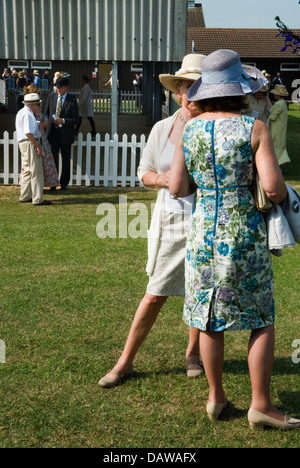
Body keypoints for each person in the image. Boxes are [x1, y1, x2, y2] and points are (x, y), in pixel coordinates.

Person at [169, 49, 300, 431]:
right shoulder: (253, 128)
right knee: (260, 317)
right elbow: (274, 189)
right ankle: (261, 405)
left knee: (210, 320)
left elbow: (178, 186)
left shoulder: (189, 128)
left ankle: (216, 398)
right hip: (242, 233)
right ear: (239, 89)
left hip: (202, 235)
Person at [98, 54, 206, 389]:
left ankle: (193, 354)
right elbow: (143, 172)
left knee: (200, 291)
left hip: (206, 219)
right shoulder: (162, 128)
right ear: (178, 90)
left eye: (200, 86)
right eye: (188, 85)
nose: (193, 92)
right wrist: (163, 179)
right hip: (171, 219)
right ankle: (124, 362)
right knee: (155, 293)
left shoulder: (214, 128)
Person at [15, 93, 52, 206]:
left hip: (23, 143)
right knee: (36, 171)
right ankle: (37, 198)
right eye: (37, 105)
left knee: (26, 169)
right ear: (31, 105)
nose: (39, 107)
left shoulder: (22, 112)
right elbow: (28, 133)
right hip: (30, 143)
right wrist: (37, 146)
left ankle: (25, 195)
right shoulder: (28, 114)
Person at [44, 76, 79, 190]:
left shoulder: (72, 100)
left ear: (66, 88)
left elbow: (76, 119)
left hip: (65, 134)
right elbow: (46, 114)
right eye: (57, 87)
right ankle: (53, 183)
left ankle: (64, 183)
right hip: (53, 133)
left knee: (65, 160)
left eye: (60, 87)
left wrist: (63, 121)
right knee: (53, 160)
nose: (58, 89)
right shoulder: (51, 97)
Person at [22, 84, 59, 189]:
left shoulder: (32, 106)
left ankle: (42, 183)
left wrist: (44, 122)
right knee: (38, 161)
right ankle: (38, 184)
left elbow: (43, 119)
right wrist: (42, 124)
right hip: (37, 136)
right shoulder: (31, 108)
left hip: (41, 135)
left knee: (42, 160)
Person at [268, 84, 291, 166]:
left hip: (276, 129)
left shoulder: (279, 104)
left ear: (278, 94)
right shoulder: (283, 103)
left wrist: (266, 115)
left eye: (275, 93)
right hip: (280, 128)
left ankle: (276, 165)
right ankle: (278, 164)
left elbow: (273, 117)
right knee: (279, 147)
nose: (274, 94)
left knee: (276, 147)